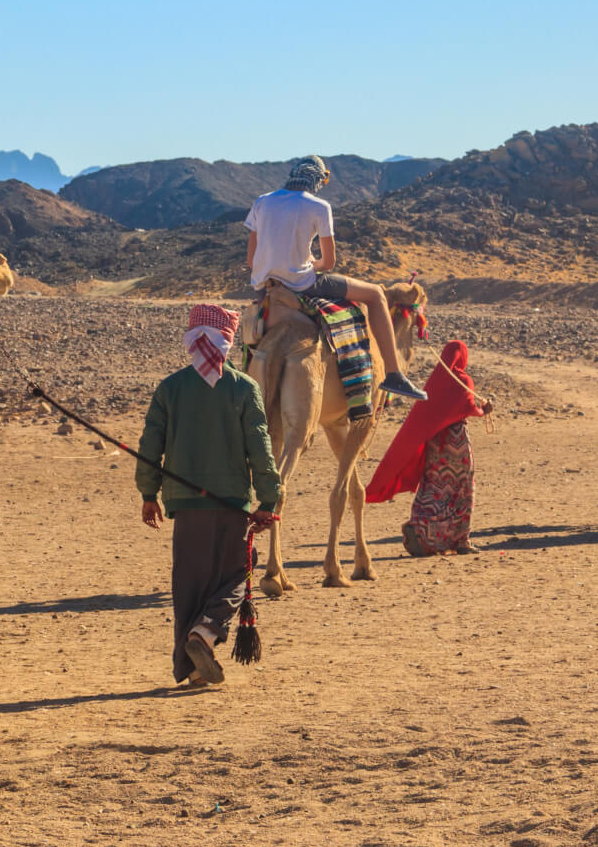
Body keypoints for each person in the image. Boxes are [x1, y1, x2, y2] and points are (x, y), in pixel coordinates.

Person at [137, 305, 283, 688]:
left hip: (184, 507)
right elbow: (261, 448)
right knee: (239, 570)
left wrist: (148, 492)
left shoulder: (171, 387)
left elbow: (150, 443)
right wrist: (268, 500)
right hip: (231, 504)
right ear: (228, 341)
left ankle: (192, 668)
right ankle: (206, 631)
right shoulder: (243, 387)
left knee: (189, 584)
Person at [245, 156, 427, 400]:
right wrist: (311, 263)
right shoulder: (319, 206)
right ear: (320, 180)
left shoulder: (262, 202)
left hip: (263, 289)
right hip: (302, 285)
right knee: (374, 294)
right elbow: (328, 263)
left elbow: (251, 259)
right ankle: (394, 374)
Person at [366, 340, 493, 555]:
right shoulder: (462, 380)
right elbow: (468, 408)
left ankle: (420, 530)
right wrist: (484, 411)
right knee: (462, 489)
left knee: (434, 487)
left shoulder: (435, 381)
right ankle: (460, 541)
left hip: (435, 444)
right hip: (457, 441)